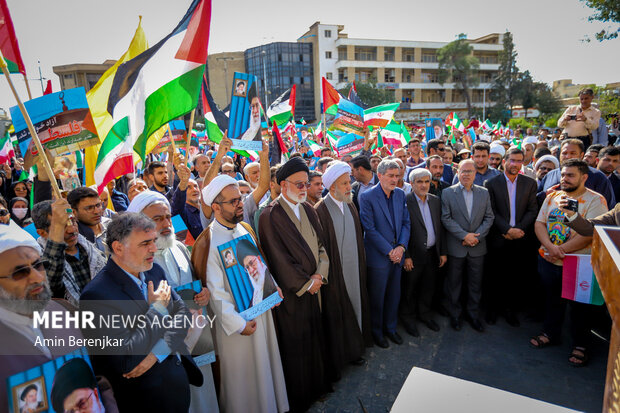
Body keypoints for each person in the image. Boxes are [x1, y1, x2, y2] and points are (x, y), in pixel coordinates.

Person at [79, 213, 203, 412]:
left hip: (175, 389)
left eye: (153, 241)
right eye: (145, 243)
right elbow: (127, 362)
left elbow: (183, 315)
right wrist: (158, 311)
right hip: (142, 401)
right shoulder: (96, 296)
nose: (154, 248)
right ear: (118, 247)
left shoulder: (154, 270)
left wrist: (155, 354)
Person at [195, 174, 288, 413]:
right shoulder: (208, 242)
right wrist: (238, 324)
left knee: (267, 369)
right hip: (238, 329)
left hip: (262, 315)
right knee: (245, 383)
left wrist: (273, 287)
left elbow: (260, 266)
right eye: (233, 201)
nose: (240, 204)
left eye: (241, 198)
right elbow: (216, 294)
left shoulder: (245, 228)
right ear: (215, 206)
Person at [129, 189, 218, 413]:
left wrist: (203, 294)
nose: (166, 223)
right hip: (165, 349)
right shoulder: (134, 262)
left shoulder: (178, 246)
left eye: (167, 216)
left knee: (204, 392)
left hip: (197, 338)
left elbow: (195, 282)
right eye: (156, 218)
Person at [258, 157, 331, 411]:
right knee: (297, 346)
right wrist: (304, 284)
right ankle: (301, 397)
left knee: (316, 339)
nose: (303, 188)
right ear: (282, 184)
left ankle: (319, 385)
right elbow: (278, 260)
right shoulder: (270, 215)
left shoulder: (309, 209)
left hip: (316, 287)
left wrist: (320, 275)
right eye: (298, 184)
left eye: (306, 183)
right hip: (293, 294)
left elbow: (322, 247)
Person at [0, 222, 87, 410]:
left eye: (38, 265)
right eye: (20, 272)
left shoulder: (62, 310)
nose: (38, 277)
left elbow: (93, 380)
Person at [531, 159, 608, 366]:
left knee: (581, 308)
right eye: (563, 175)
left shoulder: (595, 201)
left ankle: (581, 345)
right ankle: (550, 333)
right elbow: (539, 223)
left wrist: (560, 250)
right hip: (548, 259)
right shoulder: (553, 196)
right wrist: (550, 247)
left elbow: (590, 233)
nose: (564, 179)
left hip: (579, 265)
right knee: (552, 300)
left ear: (584, 177)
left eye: (570, 175)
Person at [314, 161, 372, 375]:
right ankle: (341, 356)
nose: (350, 186)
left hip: (354, 270)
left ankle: (356, 349)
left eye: (349, 182)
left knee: (356, 306)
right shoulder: (320, 210)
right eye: (345, 183)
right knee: (337, 314)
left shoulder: (349, 203)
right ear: (332, 187)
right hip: (335, 277)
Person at [484, 148, 538, 326]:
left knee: (514, 277)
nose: (515, 164)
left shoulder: (530, 183)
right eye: (512, 160)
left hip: (520, 238)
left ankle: (509, 311)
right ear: (505, 161)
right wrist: (507, 229)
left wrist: (518, 230)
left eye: (519, 161)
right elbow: (491, 210)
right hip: (499, 237)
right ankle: (491, 310)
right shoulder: (491, 183)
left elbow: (532, 210)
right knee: (494, 276)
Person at [359, 159, 410, 348]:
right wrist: (390, 251)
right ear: (379, 175)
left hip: (397, 256)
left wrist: (401, 247)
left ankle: (391, 329)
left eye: (397, 175)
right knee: (377, 298)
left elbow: (406, 223)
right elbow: (369, 229)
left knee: (394, 296)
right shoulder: (367, 197)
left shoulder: (400, 195)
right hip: (379, 258)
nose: (395, 179)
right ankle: (377, 333)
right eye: (390, 175)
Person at [441, 160, 494, 332]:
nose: (466, 174)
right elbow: (446, 218)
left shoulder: (484, 193)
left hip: (477, 247)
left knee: (475, 284)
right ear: (457, 172)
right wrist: (464, 236)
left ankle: (473, 315)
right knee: (454, 283)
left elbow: (489, 218)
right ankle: (455, 315)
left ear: (475, 173)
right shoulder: (448, 193)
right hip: (456, 246)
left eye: (470, 171)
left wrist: (475, 237)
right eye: (463, 171)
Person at [32, 199, 106, 307]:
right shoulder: (37, 259)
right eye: (62, 225)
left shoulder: (89, 248)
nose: (72, 229)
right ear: (42, 233)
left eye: (72, 221)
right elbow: (50, 285)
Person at [400, 168, 446, 337]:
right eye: (419, 182)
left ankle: (425, 315)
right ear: (411, 184)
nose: (424, 185)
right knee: (409, 289)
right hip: (413, 256)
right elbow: (401, 230)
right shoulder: (405, 201)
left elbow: (439, 228)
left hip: (432, 253)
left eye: (427, 181)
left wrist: (442, 252)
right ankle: (408, 318)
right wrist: (407, 256)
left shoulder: (435, 201)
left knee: (428, 287)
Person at [538, 139, 615, 207]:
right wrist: (545, 195)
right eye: (564, 153)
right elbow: (535, 204)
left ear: (581, 155)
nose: (568, 156)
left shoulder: (598, 177)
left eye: (573, 153)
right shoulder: (550, 175)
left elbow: (607, 207)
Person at [67, 186, 110, 253]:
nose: (96, 211)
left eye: (98, 205)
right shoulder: (72, 238)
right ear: (74, 212)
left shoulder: (111, 226)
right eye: (89, 208)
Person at [170, 162, 204, 240]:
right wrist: (183, 182)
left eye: (196, 186)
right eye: (188, 187)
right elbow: (177, 205)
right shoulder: (180, 213)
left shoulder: (207, 209)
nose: (194, 190)